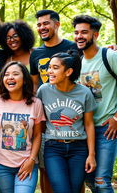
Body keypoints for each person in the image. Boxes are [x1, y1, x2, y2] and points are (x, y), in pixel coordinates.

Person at [29, 9, 77, 193]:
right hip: (46, 118)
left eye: (46, 23)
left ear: (57, 24)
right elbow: (34, 86)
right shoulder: (36, 54)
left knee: (75, 172)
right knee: (46, 168)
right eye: (39, 24)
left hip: (71, 115)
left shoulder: (72, 47)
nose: (42, 27)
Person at [37, 50, 96, 193]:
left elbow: (89, 124)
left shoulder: (84, 93)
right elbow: (40, 122)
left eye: (55, 68)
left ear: (68, 71)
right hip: (53, 148)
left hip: (79, 148)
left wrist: (91, 155)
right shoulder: (43, 90)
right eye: (49, 67)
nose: (49, 71)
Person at [73, 15, 117, 193]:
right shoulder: (77, 63)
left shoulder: (110, 56)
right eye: (76, 33)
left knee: (101, 181)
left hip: (107, 129)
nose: (79, 36)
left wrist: (116, 117)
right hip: (84, 131)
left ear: (95, 35)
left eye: (84, 32)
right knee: (89, 179)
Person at [0, 61, 45, 193]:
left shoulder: (35, 103)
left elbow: (37, 135)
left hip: (26, 163)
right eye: (6, 74)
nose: (10, 77)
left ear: (25, 80)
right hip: (1, 164)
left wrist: (31, 160)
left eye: (15, 74)